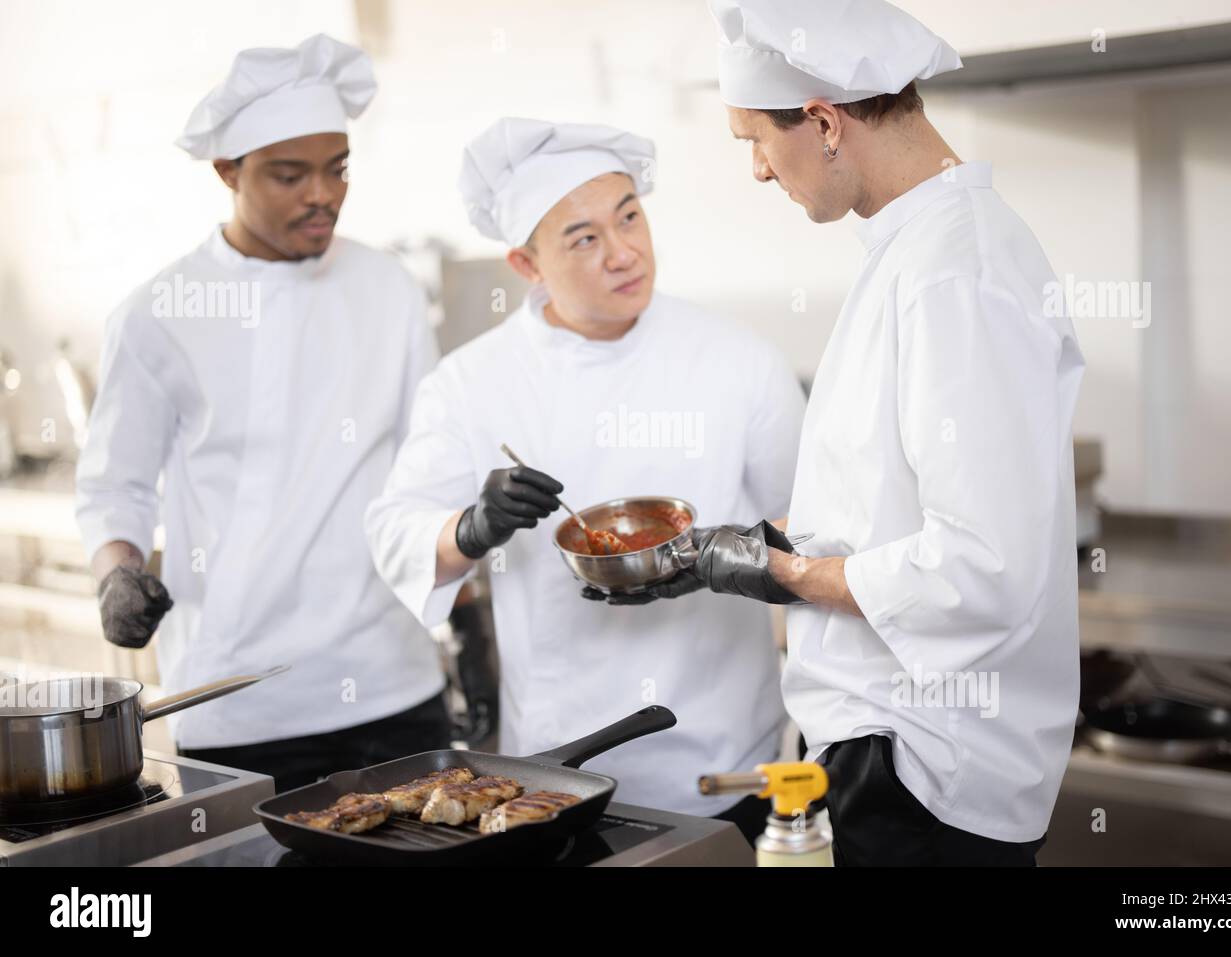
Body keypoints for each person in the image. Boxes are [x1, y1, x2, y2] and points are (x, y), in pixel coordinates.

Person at [598, 0, 1085, 865]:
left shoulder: (955, 274)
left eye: (754, 139)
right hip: (889, 749)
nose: (755, 169)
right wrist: (739, 555)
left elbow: (983, 567)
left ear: (824, 123)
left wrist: (782, 571)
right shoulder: (916, 249)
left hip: (926, 776)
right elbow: (890, 516)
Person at [365, 118, 805, 839]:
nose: (624, 251)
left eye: (630, 216)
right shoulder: (472, 382)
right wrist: (474, 527)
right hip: (552, 776)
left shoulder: (740, 361)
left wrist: (723, 558)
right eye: (584, 238)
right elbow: (395, 532)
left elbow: (815, 531)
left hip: (724, 762)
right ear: (526, 264)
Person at [75, 35, 451, 792]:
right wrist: (115, 573)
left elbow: (429, 468)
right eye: (290, 174)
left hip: (392, 682)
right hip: (237, 702)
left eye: (337, 167)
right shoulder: (158, 314)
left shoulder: (389, 289)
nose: (323, 194)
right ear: (227, 171)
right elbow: (114, 487)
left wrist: (469, 612)